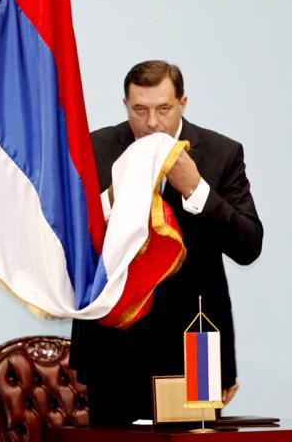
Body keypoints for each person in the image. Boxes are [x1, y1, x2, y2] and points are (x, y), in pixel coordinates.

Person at [70, 60, 263, 425]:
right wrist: (111, 198)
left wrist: (197, 189)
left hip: (195, 347)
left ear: (183, 103)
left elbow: (249, 244)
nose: (152, 122)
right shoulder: (94, 149)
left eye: (164, 109)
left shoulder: (221, 154)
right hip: (113, 345)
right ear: (125, 105)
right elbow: (69, 240)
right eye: (139, 110)